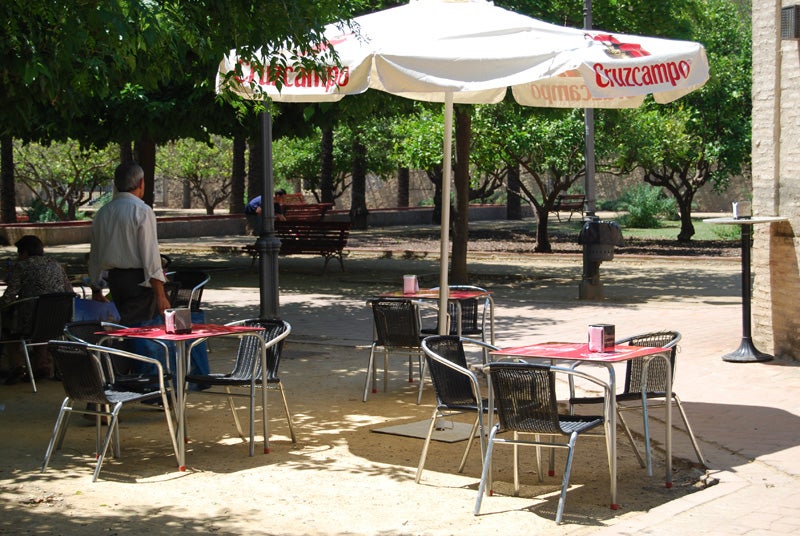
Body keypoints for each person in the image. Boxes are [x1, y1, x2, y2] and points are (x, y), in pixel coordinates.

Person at [1, 235, 73, 383]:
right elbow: (70, 291)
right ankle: (42, 365)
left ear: (24, 253)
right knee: (41, 325)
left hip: (31, 322)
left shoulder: (22, 266)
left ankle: (16, 365)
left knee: (7, 326)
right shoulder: (56, 264)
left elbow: (8, 297)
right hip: (58, 322)